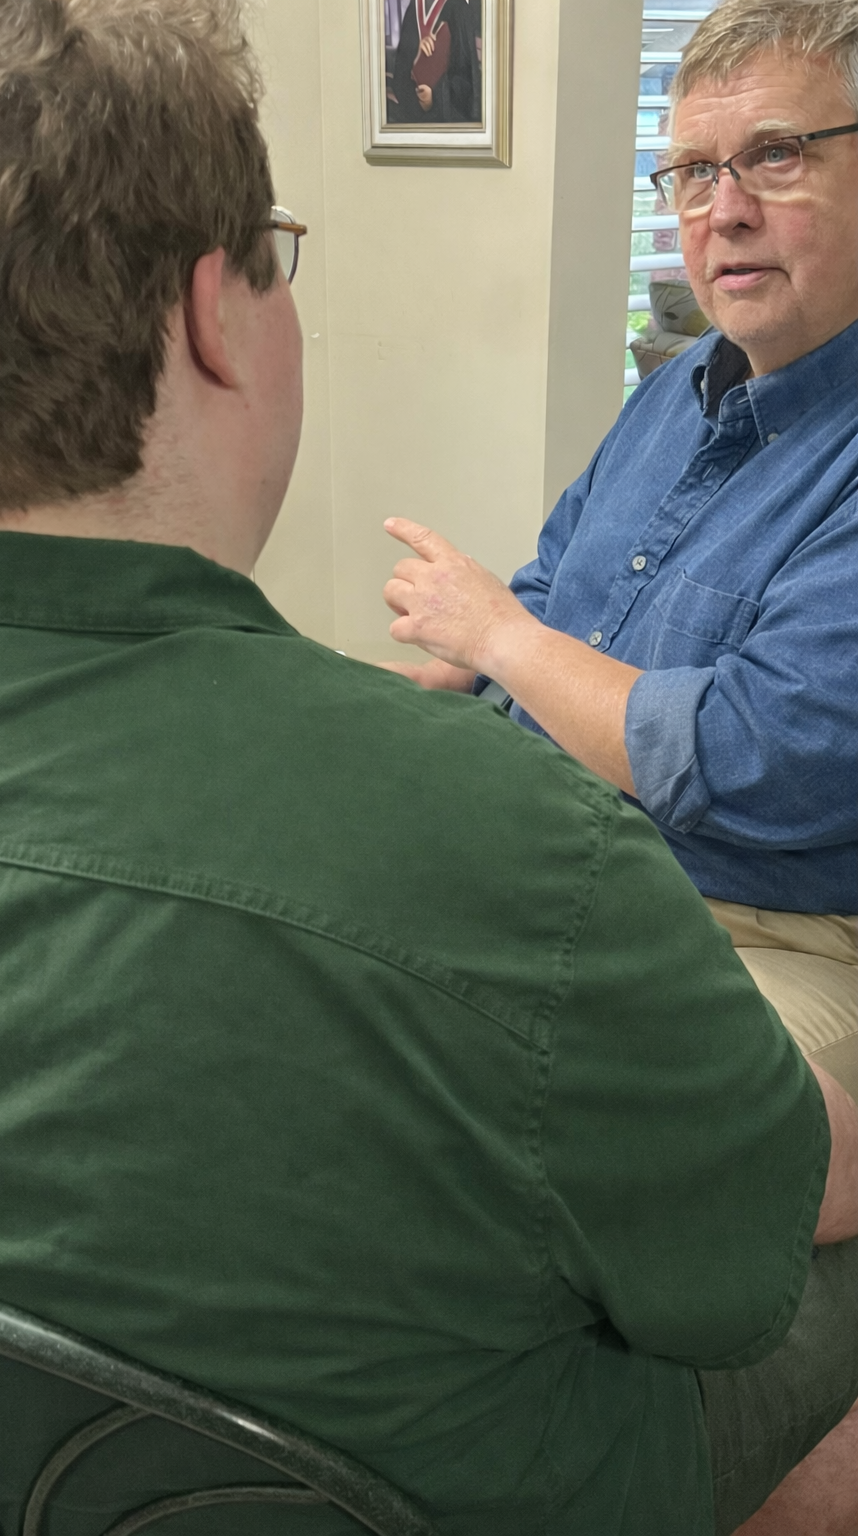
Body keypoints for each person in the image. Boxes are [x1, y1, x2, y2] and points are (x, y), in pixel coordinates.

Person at [0, 3, 855, 1533]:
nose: (719, 207)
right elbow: (735, 1261)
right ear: (213, 319)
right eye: (279, 252)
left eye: (772, 157)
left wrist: (499, 662)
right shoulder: (526, 860)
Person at [381, 0, 858, 1104]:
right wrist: (479, 662)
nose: (722, 211)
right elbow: (556, 590)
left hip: (777, 930)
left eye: (773, 157)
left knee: (529, 1095)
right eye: (691, 171)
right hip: (568, 865)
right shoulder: (670, 397)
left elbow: (755, 760)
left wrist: (501, 638)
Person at [388, 0, 481, 124]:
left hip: (446, 115)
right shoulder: (414, 7)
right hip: (412, 108)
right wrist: (416, 50)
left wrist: (434, 98)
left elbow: (466, 77)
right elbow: (401, 65)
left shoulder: (459, 9)